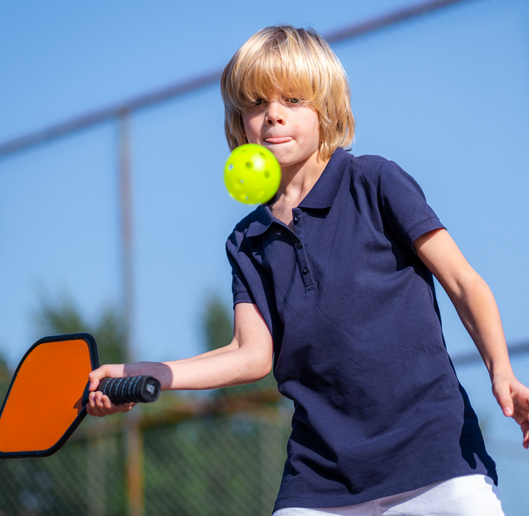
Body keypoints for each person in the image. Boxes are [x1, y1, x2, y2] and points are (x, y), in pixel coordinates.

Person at [87, 25, 529, 515]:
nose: (273, 114)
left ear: (328, 110)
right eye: (256, 104)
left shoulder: (375, 182)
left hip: (437, 461)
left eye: (293, 99)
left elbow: (464, 283)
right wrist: (149, 372)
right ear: (240, 124)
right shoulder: (246, 240)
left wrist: (501, 371)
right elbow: (249, 354)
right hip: (321, 482)